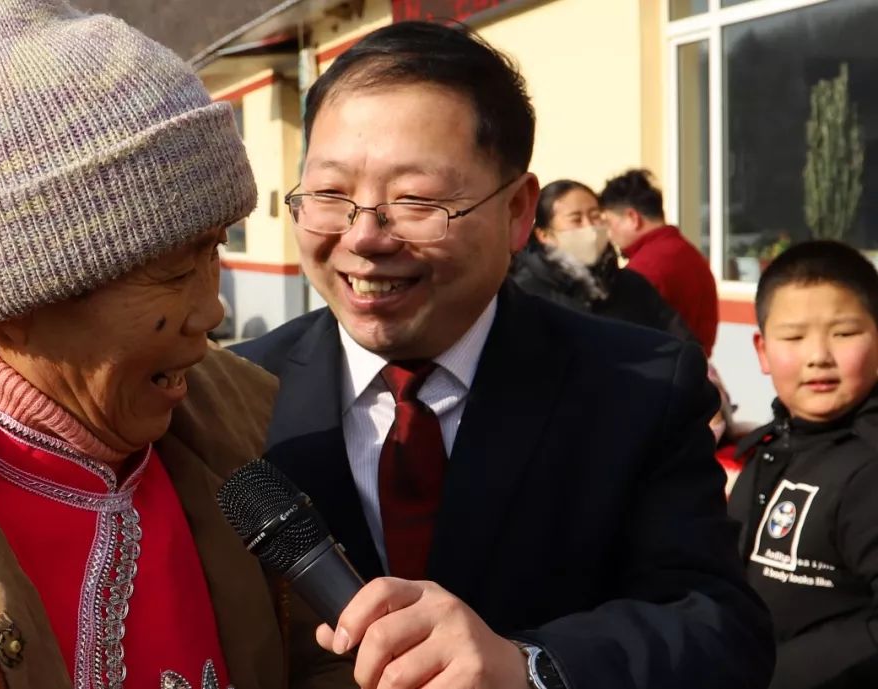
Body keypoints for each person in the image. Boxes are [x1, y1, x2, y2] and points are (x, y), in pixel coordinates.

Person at [0, 1, 351, 688]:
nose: (211, 311)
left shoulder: (250, 419)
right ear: (13, 306)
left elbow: (321, 658)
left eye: (215, 249)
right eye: (174, 269)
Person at [232, 20, 773, 689]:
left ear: (518, 211)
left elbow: (720, 631)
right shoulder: (229, 394)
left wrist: (530, 666)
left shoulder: (637, 386)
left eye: (415, 200)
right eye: (331, 194)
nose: (364, 236)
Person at [728, 240, 878, 689]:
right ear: (761, 349)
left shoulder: (868, 466)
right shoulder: (770, 448)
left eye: (844, 333)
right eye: (794, 337)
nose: (819, 356)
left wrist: (775, 673)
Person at [509, 178, 692, 340]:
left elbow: (679, 340)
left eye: (595, 216)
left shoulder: (631, 285)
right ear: (544, 234)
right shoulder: (523, 292)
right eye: (576, 219)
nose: (589, 226)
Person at [599, 169, 720, 357]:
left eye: (608, 223)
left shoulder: (645, 268)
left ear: (632, 218)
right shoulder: (687, 252)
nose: (608, 233)